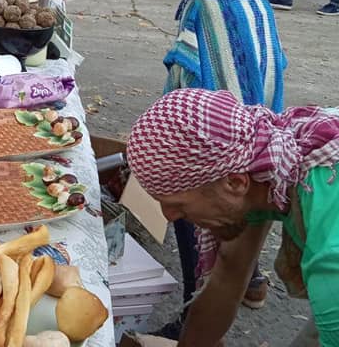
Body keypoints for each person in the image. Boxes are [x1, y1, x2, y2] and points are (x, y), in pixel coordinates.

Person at [37, 0, 313, 326]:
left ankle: (198, 299)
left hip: (210, 41)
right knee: (253, 162)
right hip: (260, 42)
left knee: (196, 168)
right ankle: (249, 277)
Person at [126, 88, 339, 347]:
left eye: (177, 204)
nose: (168, 217)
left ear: (235, 183)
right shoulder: (261, 163)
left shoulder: (331, 254)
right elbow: (228, 273)